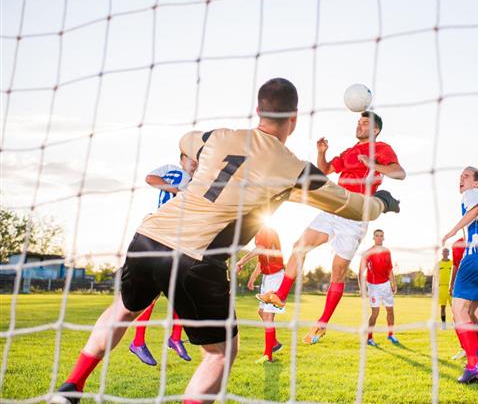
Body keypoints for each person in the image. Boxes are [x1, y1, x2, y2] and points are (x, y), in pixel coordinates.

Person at [52, 78, 400, 404]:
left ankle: (71, 388)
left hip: (149, 237)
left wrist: (200, 159)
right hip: (196, 258)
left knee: (123, 310)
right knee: (220, 353)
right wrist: (383, 202)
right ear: (293, 118)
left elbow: (188, 139)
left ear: (259, 111)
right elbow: (356, 208)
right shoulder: (295, 168)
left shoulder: (219, 136)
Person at [258, 111, 406, 346]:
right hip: (334, 208)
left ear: (375, 130)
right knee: (299, 246)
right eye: (358, 122)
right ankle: (280, 297)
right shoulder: (348, 152)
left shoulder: (381, 148)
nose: (360, 125)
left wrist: (373, 164)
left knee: (337, 272)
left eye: (365, 123)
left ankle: (322, 324)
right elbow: (325, 170)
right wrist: (321, 153)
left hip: (356, 216)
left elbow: (400, 173)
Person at [129, 155, 198, 365]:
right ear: (182, 158)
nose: (195, 161)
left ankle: (175, 338)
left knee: (183, 291)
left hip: (183, 238)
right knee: (153, 292)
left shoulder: (200, 179)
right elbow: (150, 178)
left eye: (198, 157)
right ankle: (138, 341)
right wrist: (178, 191)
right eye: (191, 156)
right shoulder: (174, 171)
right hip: (163, 234)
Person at [442, 167, 478, 384]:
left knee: (458, 310)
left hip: (476, 256)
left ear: (477, 183)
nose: (461, 179)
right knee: (477, 313)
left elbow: (474, 210)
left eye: (466, 176)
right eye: (460, 177)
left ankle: (472, 365)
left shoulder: (471, 194)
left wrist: (452, 231)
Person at [236, 226, 285, 363]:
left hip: (275, 276)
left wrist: (241, 262)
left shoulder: (265, 230)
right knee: (262, 312)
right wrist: (252, 278)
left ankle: (268, 355)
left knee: (268, 316)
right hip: (268, 277)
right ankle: (274, 343)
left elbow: (259, 250)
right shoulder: (259, 232)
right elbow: (261, 260)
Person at [358, 229, 399, 346]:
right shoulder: (368, 253)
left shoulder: (387, 252)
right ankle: (369, 338)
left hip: (386, 285)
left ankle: (391, 335)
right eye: (377, 236)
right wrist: (362, 288)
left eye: (381, 236)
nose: (379, 238)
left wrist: (393, 283)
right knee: (375, 312)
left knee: (390, 310)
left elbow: (389, 269)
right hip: (373, 287)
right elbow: (360, 272)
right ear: (373, 238)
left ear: (383, 238)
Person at [449, 237, 466, 360]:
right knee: (457, 317)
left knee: (475, 317)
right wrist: (451, 284)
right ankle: (465, 348)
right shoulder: (457, 244)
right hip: (461, 284)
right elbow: (455, 265)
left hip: (477, 282)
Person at [434, 247, 453, 330]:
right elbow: (435, 277)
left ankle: (454, 324)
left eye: (447, 252)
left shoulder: (452, 263)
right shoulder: (438, 264)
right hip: (441, 287)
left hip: (452, 288)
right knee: (443, 307)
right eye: (444, 252)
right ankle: (444, 325)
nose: (445, 253)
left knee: (454, 308)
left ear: (449, 253)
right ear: (442, 253)